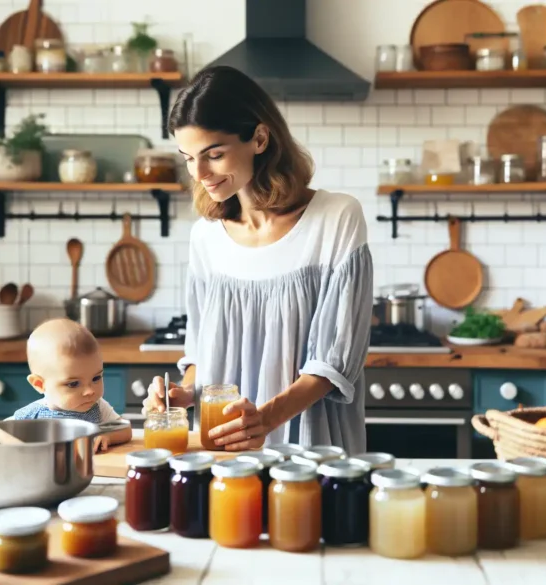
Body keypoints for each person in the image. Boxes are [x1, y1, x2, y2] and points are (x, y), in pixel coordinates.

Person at [142, 65, 373, 454]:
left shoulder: (335, 219)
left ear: (260, 138)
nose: (199, 173)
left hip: (309, 451)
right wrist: (184, 393)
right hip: (226, 456)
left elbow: (334, 363)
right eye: (188, 157)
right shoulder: (205, 238)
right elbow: (201, 354)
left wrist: (264, 420)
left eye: (213, 154)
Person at [11, 318, 132, 452]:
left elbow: (125, 429)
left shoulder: (98, 406)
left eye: (96, 378)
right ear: (40, 384)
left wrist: (108, 436)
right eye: (73, 384)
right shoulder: (30, 416)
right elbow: (0, 434)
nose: (89, 391)